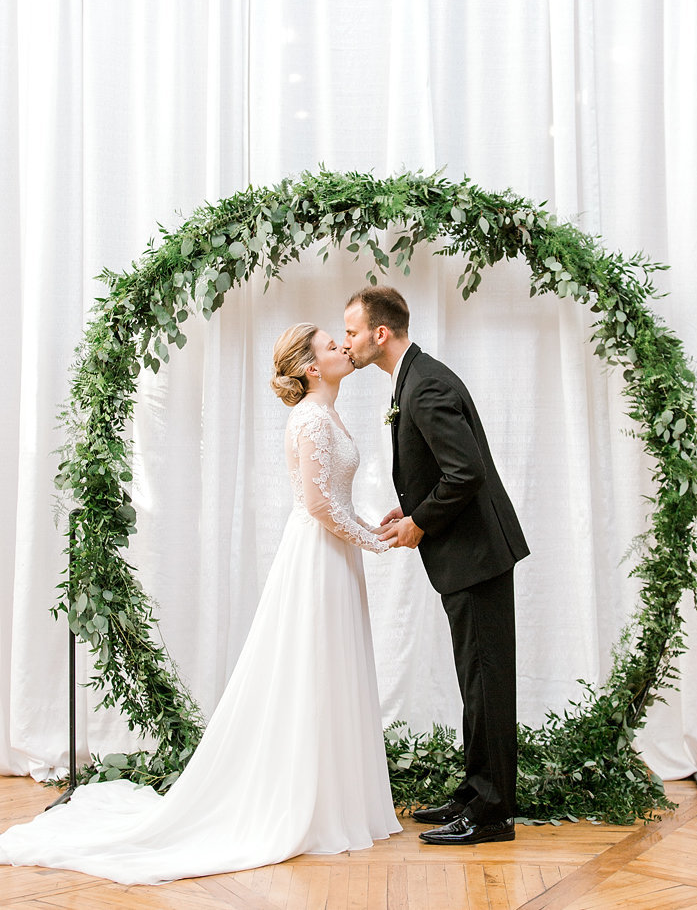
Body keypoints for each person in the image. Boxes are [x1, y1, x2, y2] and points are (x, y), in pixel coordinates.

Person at [0, 324, 400, 885]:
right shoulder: (309, 416)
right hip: (316, 555)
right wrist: (374, 541)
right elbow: (315, 503)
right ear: (312, 367)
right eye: (332, 345)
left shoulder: (328, 413)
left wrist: (372, 532)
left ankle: (336, 798)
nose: (343, 348)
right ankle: (307, 801)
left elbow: (336, 499)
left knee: (333, 667)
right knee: (311, 667)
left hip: (335, 555)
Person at [343, 286, 529, 846]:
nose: (346, 342)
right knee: (477, 678)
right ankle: (477, 792)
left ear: (381, 334)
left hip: (475, 557)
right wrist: (415, 504)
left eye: (351, 332)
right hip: (469, 555)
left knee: (486, 682)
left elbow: (465, 473)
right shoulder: (418, 377)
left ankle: (493, 813)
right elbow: (448, 471)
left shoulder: (423, 387)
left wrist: (419, 524)